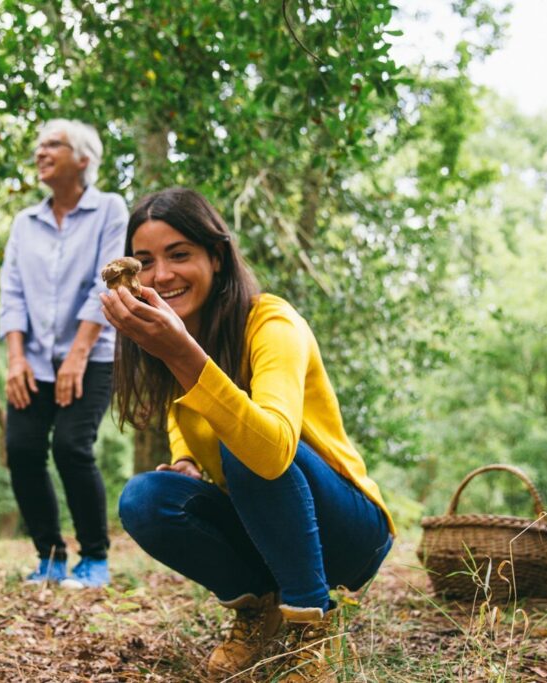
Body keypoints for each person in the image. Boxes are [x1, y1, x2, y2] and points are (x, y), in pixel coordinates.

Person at [100, 188, 394, 681]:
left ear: (216, 257)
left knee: (247, 446)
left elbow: (273, 448)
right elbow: (183, 415)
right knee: (145, 498)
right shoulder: (176, 338)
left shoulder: (271, 322)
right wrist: (186, 460)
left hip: (348, 532)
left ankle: (309, 625)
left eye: (179, 255)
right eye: (145, 261)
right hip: (268, 527)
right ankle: (259, 610)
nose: (161, 275)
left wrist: (181, 353)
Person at [0, 119, 129, 588]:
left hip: (91, 355)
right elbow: (11, 294)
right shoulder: (25, 223)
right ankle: (49, 556)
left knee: (72, 446)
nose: (40, 152)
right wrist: (15, 360)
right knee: (22, 448)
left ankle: (94, 558)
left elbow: (108, 281)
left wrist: (77, 355)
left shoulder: (110, 209)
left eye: (52, 144)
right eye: (38, 145)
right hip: (32, 357)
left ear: (83, 159)